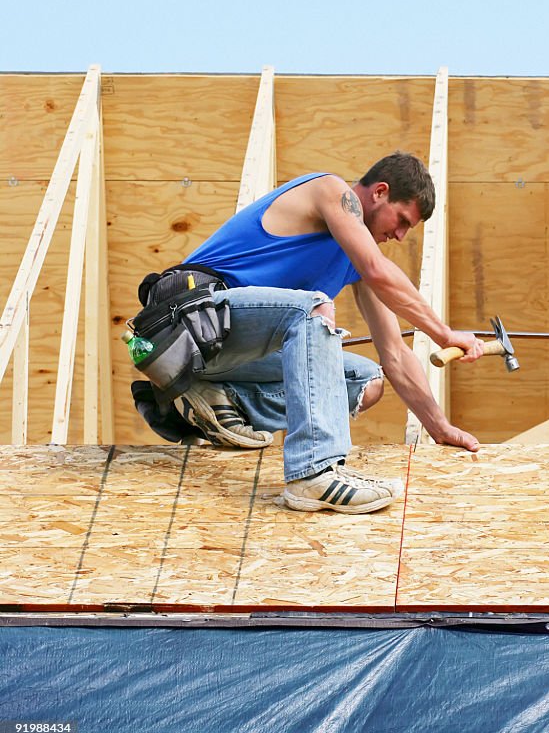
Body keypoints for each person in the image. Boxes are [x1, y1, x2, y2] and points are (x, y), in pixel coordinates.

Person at [151, 152, 485, 512]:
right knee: (313, 309)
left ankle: (218, 397)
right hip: (181, 324)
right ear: (380, 192)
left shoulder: (357, 260)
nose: (401, 236)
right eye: (402, 220)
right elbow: (377, 270)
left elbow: (395, 355)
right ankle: (313, 472)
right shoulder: (330, 190)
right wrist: (444, 334)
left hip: (223, 349)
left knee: (366, 381)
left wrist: (439, 426)